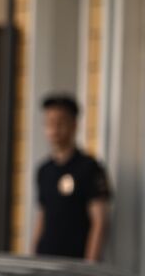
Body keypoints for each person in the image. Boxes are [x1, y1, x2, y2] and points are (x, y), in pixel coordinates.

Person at [34, 94, 111, 261]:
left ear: (74, 125)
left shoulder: (89, 167)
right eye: (49, 122)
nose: (54, 128)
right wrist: (33, 257)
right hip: (46, 259)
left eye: (60, 122)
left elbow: (99, 222)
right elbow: (42, 216)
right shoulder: (44, 170)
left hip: (75, 263)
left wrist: (90, 265)